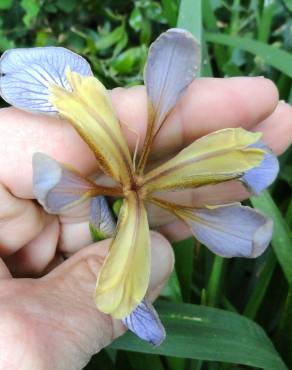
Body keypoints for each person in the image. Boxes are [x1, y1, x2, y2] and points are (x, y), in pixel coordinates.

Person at [0, 77, 291, 370]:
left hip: (122, 202)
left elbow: (257, 173)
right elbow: (52, 183)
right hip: (110, 199)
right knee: (83, 102)